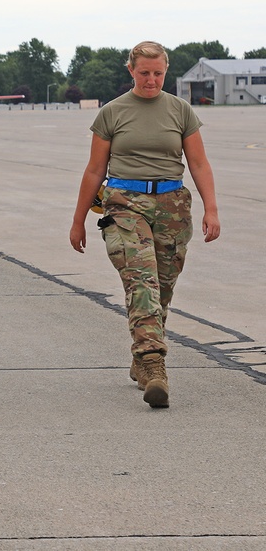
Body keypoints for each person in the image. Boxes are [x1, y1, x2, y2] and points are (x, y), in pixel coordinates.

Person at [70, 41, 220, 409]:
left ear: (165, 72)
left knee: (162, 289)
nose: (151, 80)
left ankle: (140, 357)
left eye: (158, 73)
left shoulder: (180, 111)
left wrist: (211, 209)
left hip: (172, 206)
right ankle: (154, 365)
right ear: (131, 71)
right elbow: (95, 169)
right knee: (142, 281)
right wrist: (77, 222)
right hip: (124, 204)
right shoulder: (112, 113)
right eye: (144, 73)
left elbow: (199, 164)